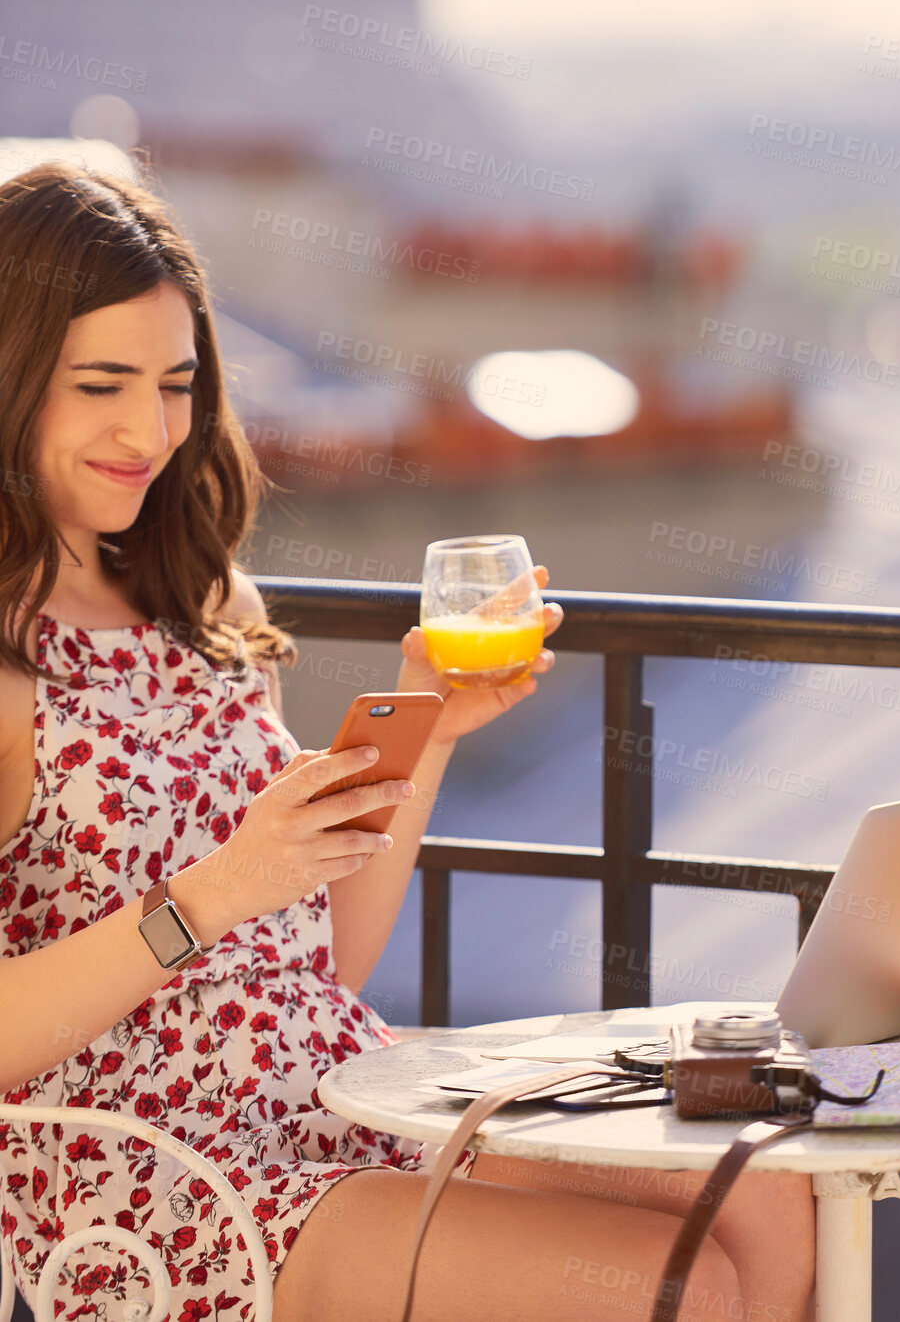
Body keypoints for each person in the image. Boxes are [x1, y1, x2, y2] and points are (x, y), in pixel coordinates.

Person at [0, 160, 816, 1322]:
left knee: (766, 1201)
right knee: (668, 1289)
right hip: (156, 1182)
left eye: (177, 384)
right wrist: (211, 895)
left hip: (340, 1093)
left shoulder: (206, 603)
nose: (151, 428)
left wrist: (422, 728)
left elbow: (320, 962)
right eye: (101, 384)